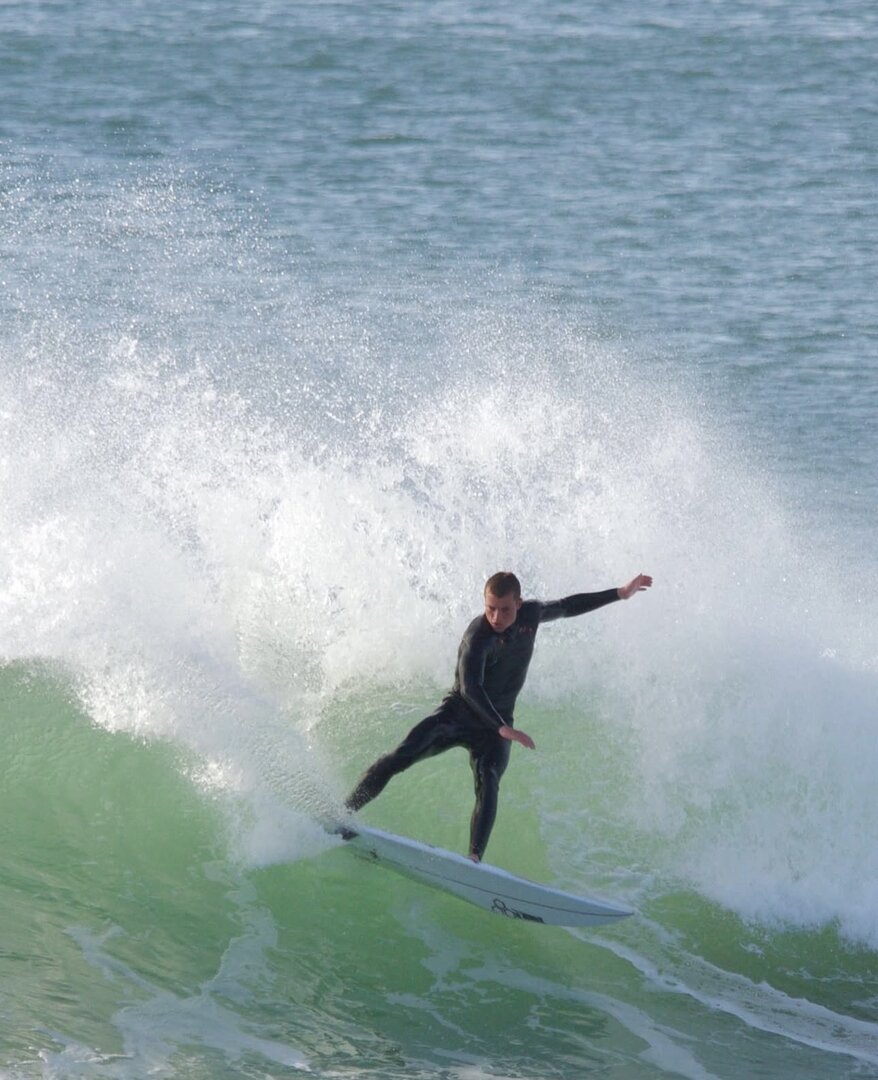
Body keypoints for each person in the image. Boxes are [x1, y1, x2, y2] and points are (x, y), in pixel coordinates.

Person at [344, 571, 653, 862]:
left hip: (494, 728)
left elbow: (568, 606)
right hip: (458, 715)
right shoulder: (478, 636)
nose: (496, 617)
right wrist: (502, 727)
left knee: (488, 781)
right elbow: (470, 687)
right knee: (401, 756)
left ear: (518, 604)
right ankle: (343, 813)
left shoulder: (531, 615)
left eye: (505, 610)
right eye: (490, 608)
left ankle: (474, 859)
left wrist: (619, 593)